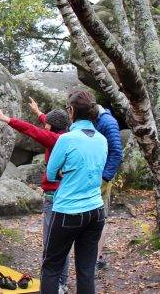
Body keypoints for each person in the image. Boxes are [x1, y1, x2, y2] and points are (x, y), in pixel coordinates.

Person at [0, 97, 72, 291]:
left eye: (46, 123)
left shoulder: (55, 140)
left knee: (51, 242)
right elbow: (48, 123)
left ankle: (56, 283)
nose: (44, 124)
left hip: (54, 196)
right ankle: (61, 282)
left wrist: (5, 118)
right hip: (63, 193)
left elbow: (30, 130)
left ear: (52, 127)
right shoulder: (64, 134)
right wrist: (38, 112)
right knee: (61, 241)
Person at [41, 90, 108, 294]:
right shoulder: (102, 139)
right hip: (96, 210)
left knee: (51, 268)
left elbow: (51, 173)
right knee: (86, 271)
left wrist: (64, 171)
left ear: (71, 111)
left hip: (68, 211)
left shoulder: (66, 139)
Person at [93, 104, 123, 270]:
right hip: (95, 176)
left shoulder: (108, 122)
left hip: (102, 178)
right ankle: (95, 255)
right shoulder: (96, 120)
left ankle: (96, 258)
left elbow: (117, 151)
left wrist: (105, 176)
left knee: (100, 217)